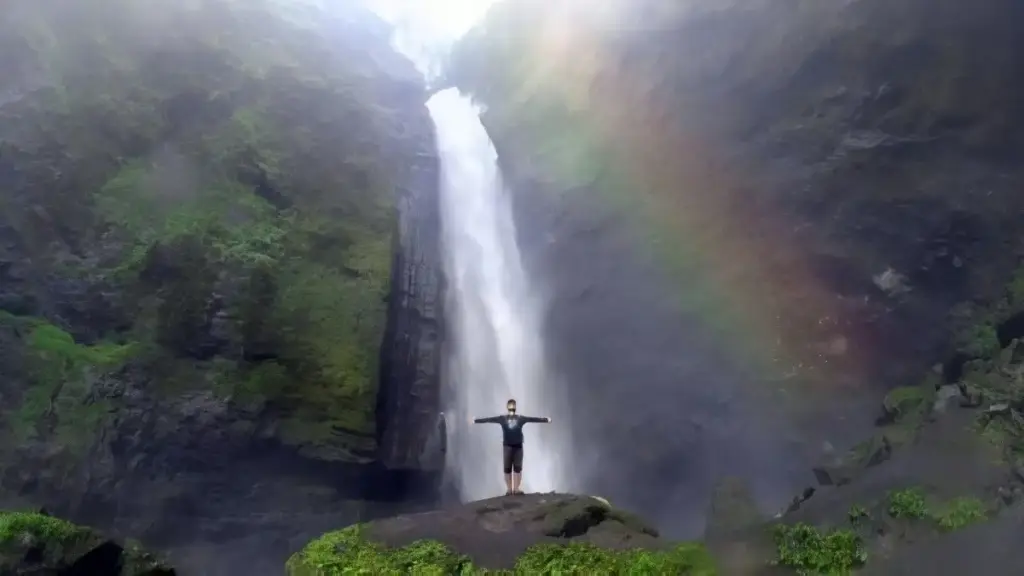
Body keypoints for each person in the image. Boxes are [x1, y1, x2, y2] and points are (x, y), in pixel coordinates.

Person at [471, 398, 551, 496]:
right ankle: (512, 489)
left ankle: (513, 489)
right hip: (512, 446)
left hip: (513, 446)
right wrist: (546, 420)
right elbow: (533, 419)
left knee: (513, 469)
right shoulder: (518, 418)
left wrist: (476, 420)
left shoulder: (507, 419)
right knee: (511, 469)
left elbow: (489, 420)